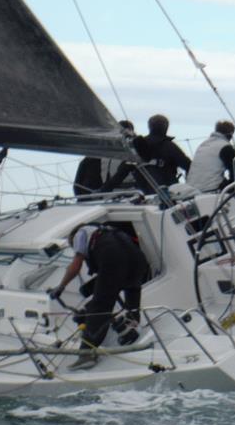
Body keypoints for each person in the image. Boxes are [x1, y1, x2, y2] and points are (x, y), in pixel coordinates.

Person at [49, 223, 149, 370]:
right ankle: (133, 325)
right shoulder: (107, 230)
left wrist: (61, 287)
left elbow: (76, 265)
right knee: (132, 290)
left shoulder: (79, 234)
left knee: (100, 306)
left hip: (113, 260)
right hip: (139, 261)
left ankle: (86, 354)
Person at [131, 114, 191, 192]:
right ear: (166, 128)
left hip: (142, 190)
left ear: (149, 127)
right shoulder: (169, 146)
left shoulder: (136, 146)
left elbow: (124, 169)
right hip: (167, 192)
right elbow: (188, 166)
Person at [186, 121, 235, 192]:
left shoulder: (203, 145)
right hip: (211, 189)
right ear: (231, 134)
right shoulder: (226, 147)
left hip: (192, 188)